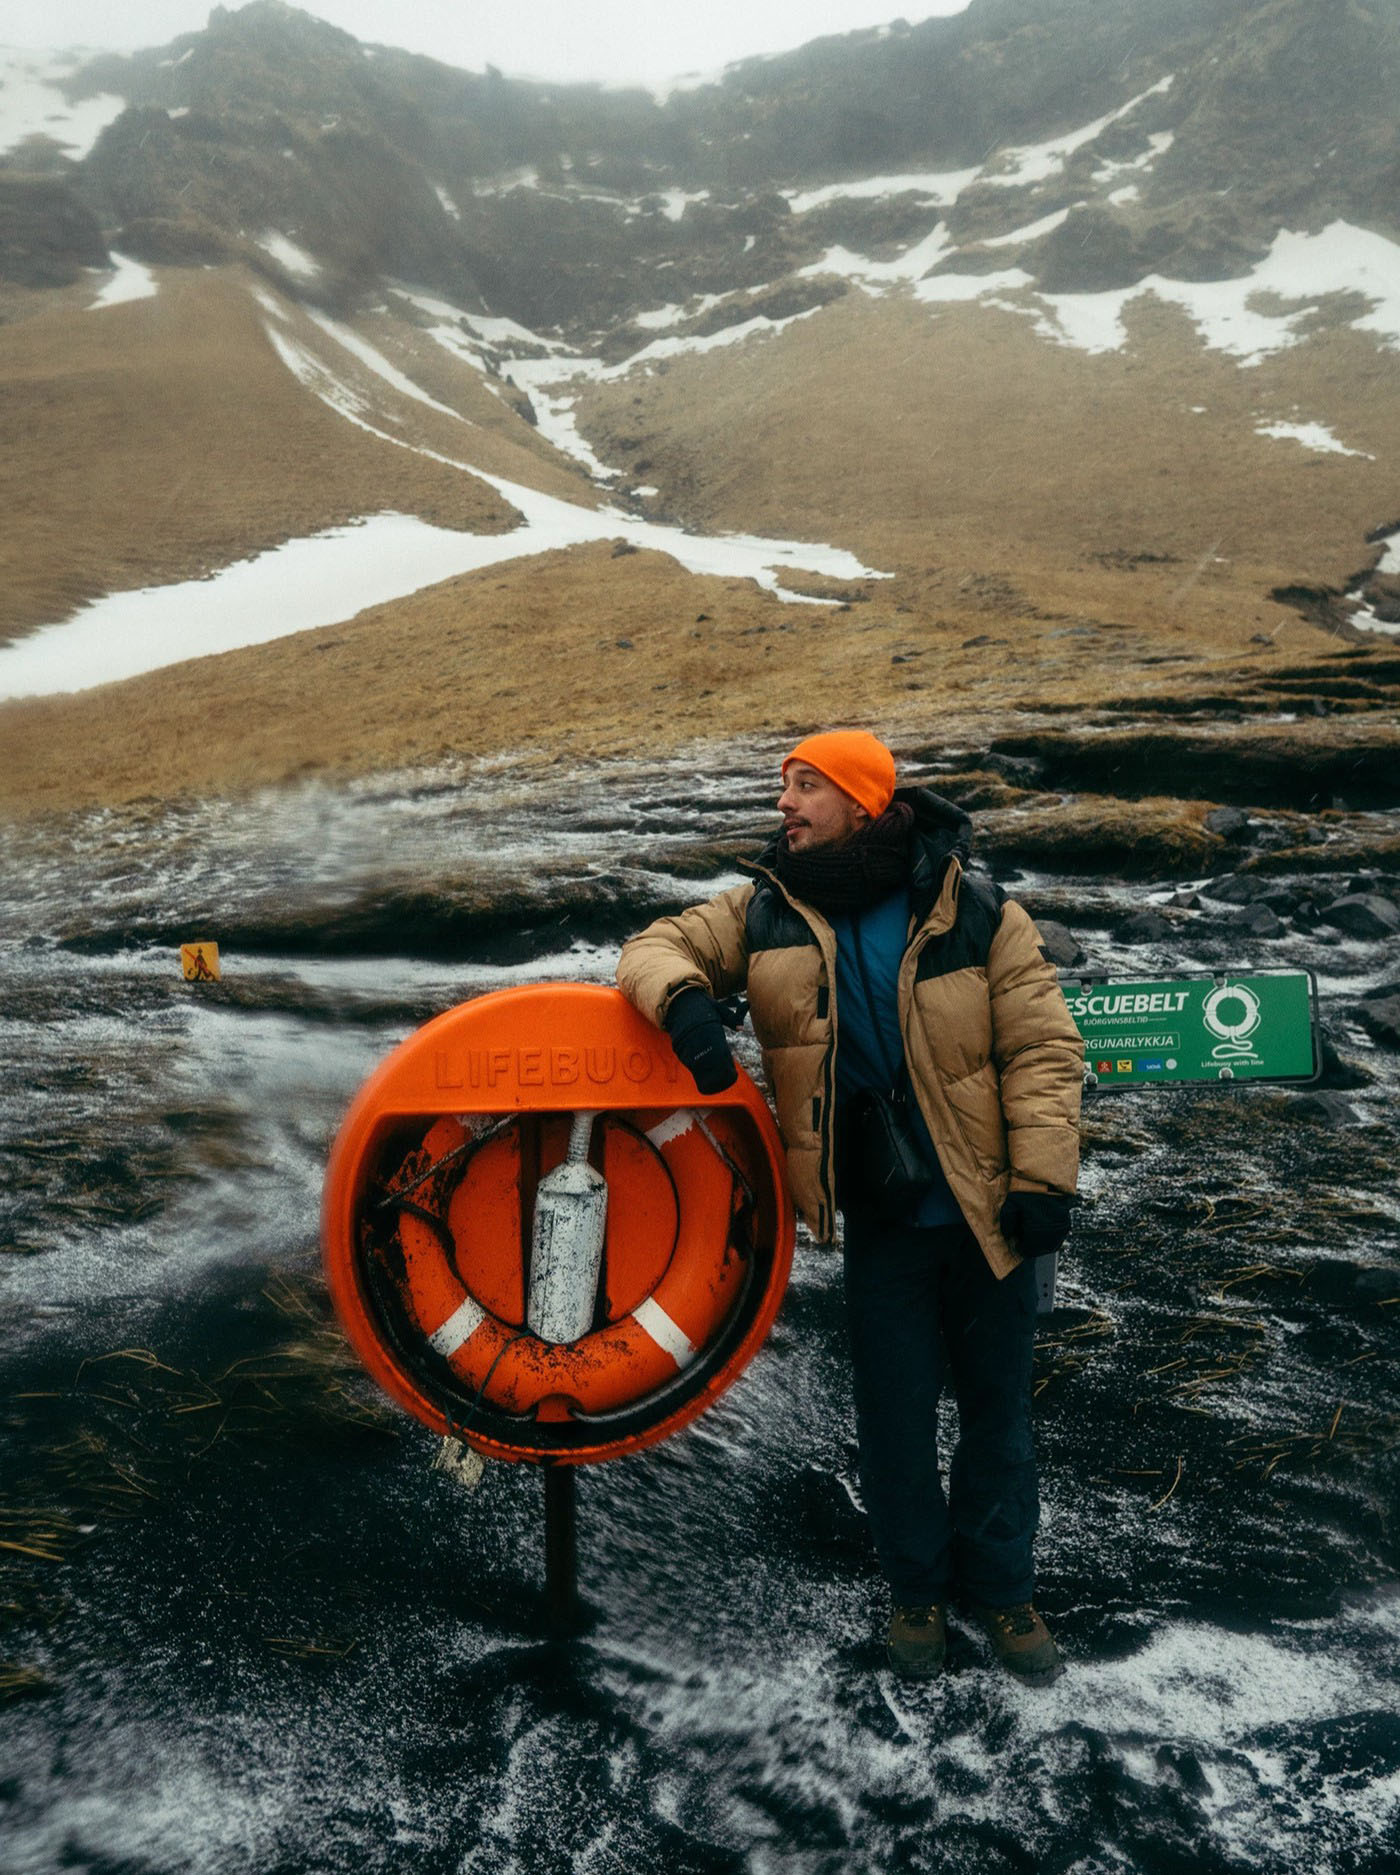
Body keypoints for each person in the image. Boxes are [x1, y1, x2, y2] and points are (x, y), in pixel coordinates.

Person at [616, 730, 1083, 1683]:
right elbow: (652, 946)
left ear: (865, 802)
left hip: (990, 1214)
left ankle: (1003, 1594)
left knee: (998, 1418)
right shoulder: (765, 911)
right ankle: (916, 1592)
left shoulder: (973, 907)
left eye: (806, 786)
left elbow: (1043, 1048)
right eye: (783, 787)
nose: (784, 803)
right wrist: (685, 1007)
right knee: (895, 1420)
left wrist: (1044, 1181)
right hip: (880, 1224)